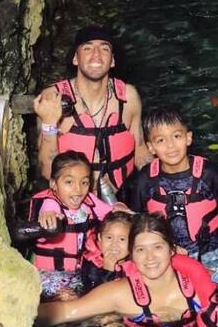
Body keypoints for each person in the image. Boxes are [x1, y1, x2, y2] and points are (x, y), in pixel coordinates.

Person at [36, 213, 217, 327]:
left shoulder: (198, 283)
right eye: (140, 249)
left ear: (171, 250)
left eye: (157, 247)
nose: (150, 258)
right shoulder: (120, 292)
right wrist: (20, 316)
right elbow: (66, 311)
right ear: (132, 254)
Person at [33, 26, 148, 198]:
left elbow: (140, 152)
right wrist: (49, 122)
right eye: (87, 48)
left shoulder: (129, 96)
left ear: (113, 61)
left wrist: (169, 177)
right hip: (73, 202)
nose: (96, 54)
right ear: (75, 59)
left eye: (104, 48)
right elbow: (47, 170)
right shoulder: (53, 101)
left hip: (122, 196)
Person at [128, 107, 218, 269]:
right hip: (164, 257)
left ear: (188, 138)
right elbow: (134, 221)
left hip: (209, 254)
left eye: (176, 136)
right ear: (150, 147)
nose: (170, 145)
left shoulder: (207, 173)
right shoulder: (146, 179)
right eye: (161, 140)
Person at [27, 151, 119, 300]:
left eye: (84, 182)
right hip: (48, 276)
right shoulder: (50, 204)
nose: (78, 190)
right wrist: (48, 217)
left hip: (77, 273)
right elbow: (48, 211)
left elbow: (111, 213)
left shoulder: (88, 201)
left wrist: (121, 210)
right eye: (69, 182)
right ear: (53, 184)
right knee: (73, 301)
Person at [81, 211, 135, 292]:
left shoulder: (137, 263)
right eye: (109, 237)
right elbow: (92, 297)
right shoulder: (92, 262)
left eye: (122, 239)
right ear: (100, 237)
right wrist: (107, 271)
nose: (114, 244)